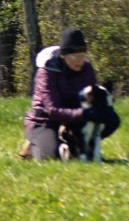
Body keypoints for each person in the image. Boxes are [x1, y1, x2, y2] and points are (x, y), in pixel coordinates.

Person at [23, 26, 100, 161]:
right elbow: (52, 109)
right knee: (50, 158)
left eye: (83, 56)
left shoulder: (87, 69)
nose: (80, 60)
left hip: (74, 119)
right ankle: (32, 144)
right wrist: (82, 113)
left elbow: (93, 95)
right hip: (45, 121)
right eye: (75, 56)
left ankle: (72, 144)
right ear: (64, 56)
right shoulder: (46, 71)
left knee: (111, 121)